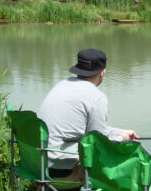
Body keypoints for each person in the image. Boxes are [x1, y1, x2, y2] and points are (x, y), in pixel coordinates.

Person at [38, 47, 138, 181]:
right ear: (102, 73)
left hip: (37, 164)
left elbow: (91, 131)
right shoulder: (97, 98)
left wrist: (119, 131)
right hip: (63, 170)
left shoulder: (62, 85)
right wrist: (123, 139)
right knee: (118, 152)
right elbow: (98, 144)